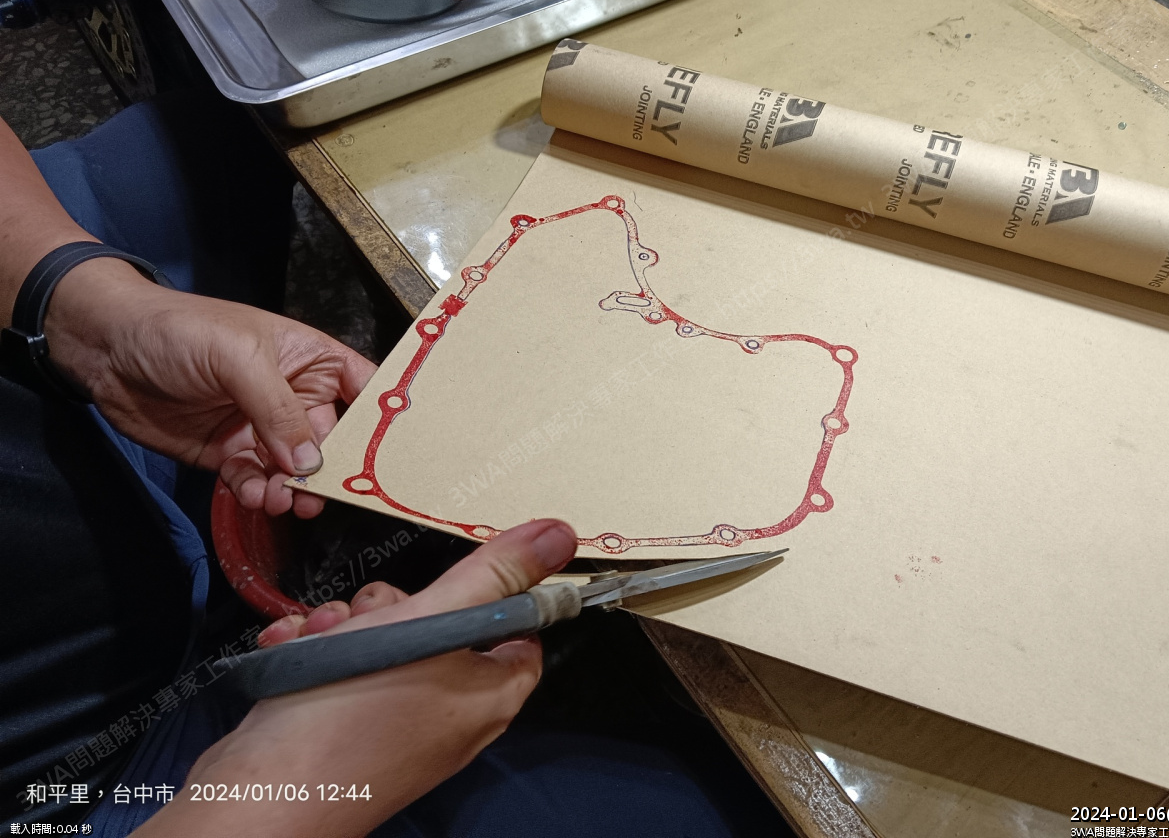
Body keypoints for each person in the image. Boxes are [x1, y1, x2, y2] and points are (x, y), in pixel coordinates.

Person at [0, 96, 791, 837]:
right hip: (68, 793)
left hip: (50, 416)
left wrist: (73, 300)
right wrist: (276, 796)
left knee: (214, 138)